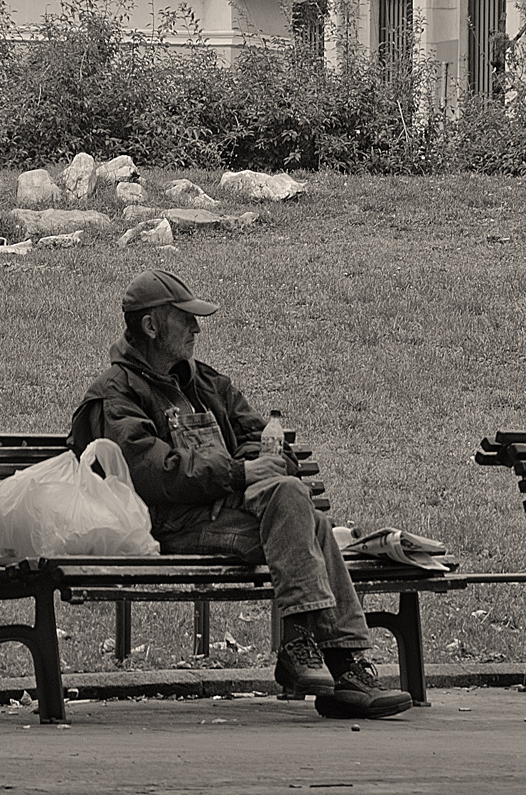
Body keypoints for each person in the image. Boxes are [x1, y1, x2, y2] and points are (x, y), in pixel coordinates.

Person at [68, 269, 414, 720]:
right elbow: (152, 473)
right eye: (185, 319)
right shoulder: (115, 394)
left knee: (292, 500)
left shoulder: (208, 383)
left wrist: (262, 461)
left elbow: (259, 436)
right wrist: (239, 472)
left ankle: (309, 653)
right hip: (169, 523)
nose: (197, 328)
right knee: (307, 520)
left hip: (229, 513)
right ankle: (342, 663)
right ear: (151, 326)